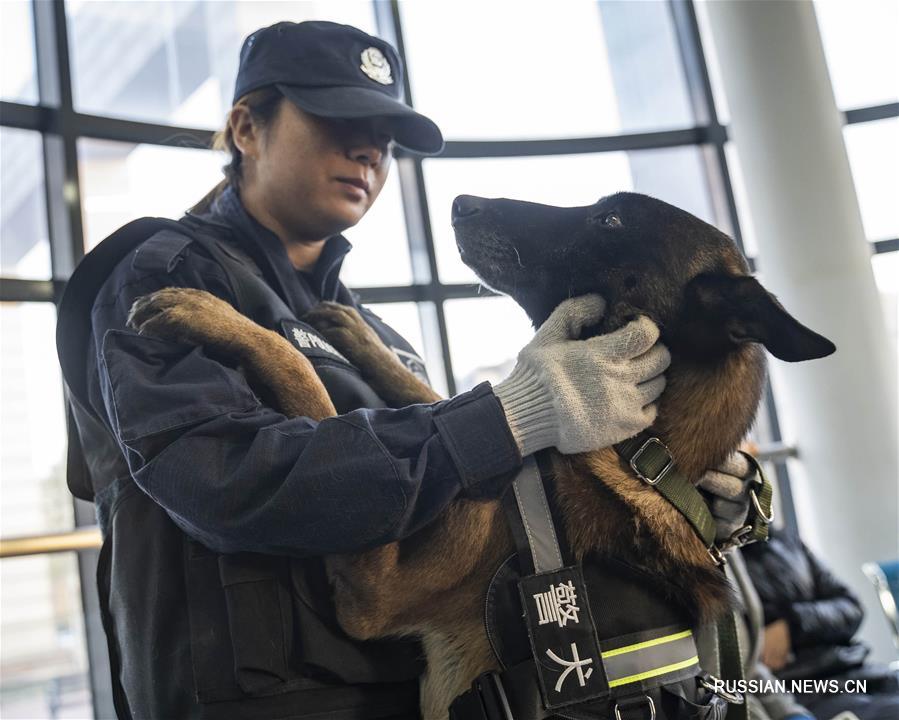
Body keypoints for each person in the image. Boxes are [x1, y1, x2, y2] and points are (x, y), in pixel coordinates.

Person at [60, 20, 761, 720]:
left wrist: (668, 500)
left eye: (383, 137)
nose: (367, 150)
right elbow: (222, 477)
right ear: (246, 127)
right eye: (338, 120)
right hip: (261, 701)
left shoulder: (377, 337)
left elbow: (466, 514)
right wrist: (503, 416)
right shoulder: (166, 273)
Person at [743, 526, 899, 720]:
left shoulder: (789, 543)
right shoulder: (723, 563)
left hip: (857, 669)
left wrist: (793, 623)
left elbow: (852, 608)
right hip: (802, 690)